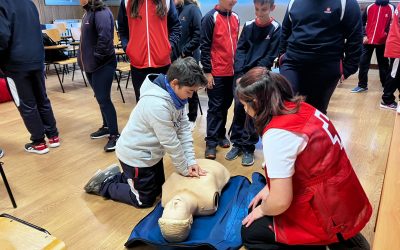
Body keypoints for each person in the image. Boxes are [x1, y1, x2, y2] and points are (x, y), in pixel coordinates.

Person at [237, 67, 372, 249]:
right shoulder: (302, 108)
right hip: (342, 196)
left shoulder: (278, 133)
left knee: (251, 231)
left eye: (245, 105)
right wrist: (270, 187)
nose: (245, 111)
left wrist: (263, 209)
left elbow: (280, 201)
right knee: (261, 201)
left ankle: (318, 241)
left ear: (256, 102)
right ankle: (343, 238)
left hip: (325, 210)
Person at [84, 57, 208, 208]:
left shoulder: (178, 98)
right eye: (189, 91)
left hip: (151, 154)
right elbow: (171, 142)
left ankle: (122, 177)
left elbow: (183, 130)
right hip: (136, 156)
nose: (190, 96)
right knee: (144, 200)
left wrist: (191, 161)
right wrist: (184, 169)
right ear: (174, 83)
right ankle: (103, 184)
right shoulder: (156, 105)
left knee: (158, 191)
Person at [279, 0, 362, 114]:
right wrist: (282, 57)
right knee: (285, 107)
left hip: (326, 66)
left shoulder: (347, 3)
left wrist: (347, 69)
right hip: (292, 63)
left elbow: (355, 37)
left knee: (314, 113)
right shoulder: (294, 2)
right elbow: (285, 31)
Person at [0, 0, 60, 154]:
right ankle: (53, 136)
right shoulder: (30, 3)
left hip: (16, 63)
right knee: (42, 99)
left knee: (26, 103)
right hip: (37, 59)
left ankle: (38, 142)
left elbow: (2, 36)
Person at [226, 0, 281, 166]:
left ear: (272, 8)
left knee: (253, 112)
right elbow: (241, 49)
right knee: (238, 108)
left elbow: (270, 56)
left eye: (263, 9)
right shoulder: (249, 26)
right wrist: (240, 73)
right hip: (242, 75)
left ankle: (248, 146)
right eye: (256, 9)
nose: (259, 13)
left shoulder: (276, 29)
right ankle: (236, 143)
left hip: (258, 77)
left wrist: (253, 75)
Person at [118, 0, 181, 103]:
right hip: (138, 66)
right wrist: (128, 48)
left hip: (162, 65)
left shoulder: (166, 1)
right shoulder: (126, 2)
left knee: (164, 104)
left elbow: (176, 27)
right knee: (143, 104)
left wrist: (168, 47)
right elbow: (122, 28)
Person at [77, 0, 119, 152]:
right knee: (100, 98)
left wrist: (96, 57)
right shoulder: (88, 12)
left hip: (102, 64)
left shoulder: (101, 12)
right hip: (90, 65)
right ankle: (107, 126)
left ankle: (115, 135)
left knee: (104, 99)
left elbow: (105, 38)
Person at [201, 0, 240, 159]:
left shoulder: (236, 17)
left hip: (232, 72)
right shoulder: (210, 18)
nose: (233, 1)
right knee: (215, 107)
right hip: (216, 72)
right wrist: (207, 72)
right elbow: (204, 46)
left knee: (225, 105)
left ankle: (221, 134)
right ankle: (210, 142)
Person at [158, 159, 230, 242]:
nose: (174, 203)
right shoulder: (208, 202)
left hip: (188, 161)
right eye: (176, 210)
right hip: (214, 165)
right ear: (190, 219)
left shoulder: (166, 196)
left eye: (168, 210)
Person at [172, 0, 202, 131]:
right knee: (178, 88)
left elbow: (198, 34)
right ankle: (179, 117)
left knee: (191, 88)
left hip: (188, 57)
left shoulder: (193, 9)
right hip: (174, 58)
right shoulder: (173, 10)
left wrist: (185, 50)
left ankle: (192, 118)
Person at [351, 0, 394, 93]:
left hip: (382, 43)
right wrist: (364, 35)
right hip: (368, 42)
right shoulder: (369, 7)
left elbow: (393, 24)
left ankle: (385, 85)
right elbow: (361, 22)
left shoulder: (392, 8)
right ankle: (362, 85)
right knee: (363, 63)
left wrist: (385, 34)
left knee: (383, 65)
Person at [380, 3, 400, 111]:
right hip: (397, 47)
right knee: (394, 74)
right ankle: (386, 100)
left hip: (396, 43)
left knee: (397, 73)